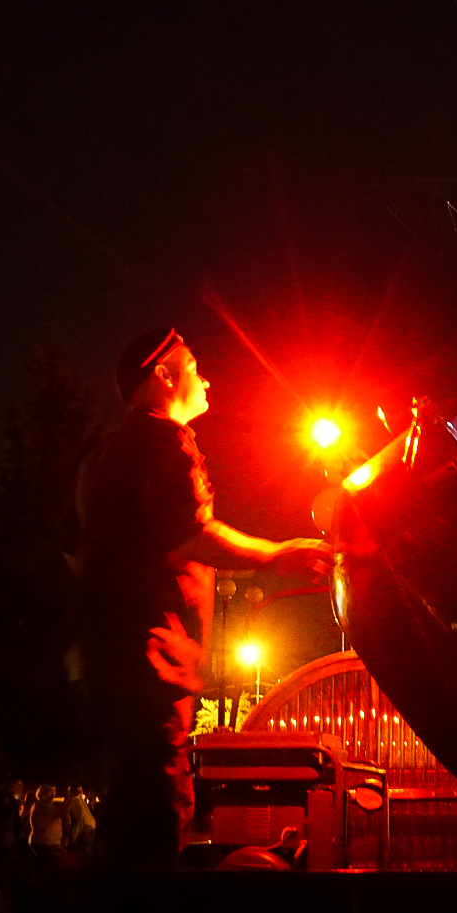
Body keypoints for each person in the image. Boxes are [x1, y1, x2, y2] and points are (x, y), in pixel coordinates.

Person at [74, 327, 333, 870]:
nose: (206, 376)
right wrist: (279, 553)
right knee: (156, 814)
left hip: (118, 659)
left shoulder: (105, 451)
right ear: (164, 376)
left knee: (126, 813)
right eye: (194, 365)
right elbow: (194, 533)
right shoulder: (163, 439)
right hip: (154, 660)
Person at [30, 785, 65, 856]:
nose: (53, 796)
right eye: (50, 793)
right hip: (44, 842)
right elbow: (63, 813)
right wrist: (70, 798)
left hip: (43, 841)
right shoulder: (43, 806)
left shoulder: (39, 805)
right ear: (43, 795)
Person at [64, 784, 96, 853]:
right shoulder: (73, 800)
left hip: (88, 826)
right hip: (83, 828)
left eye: (81, 789)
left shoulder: (80, 799)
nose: (81, 790)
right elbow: (66, 810)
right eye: (78, 789)